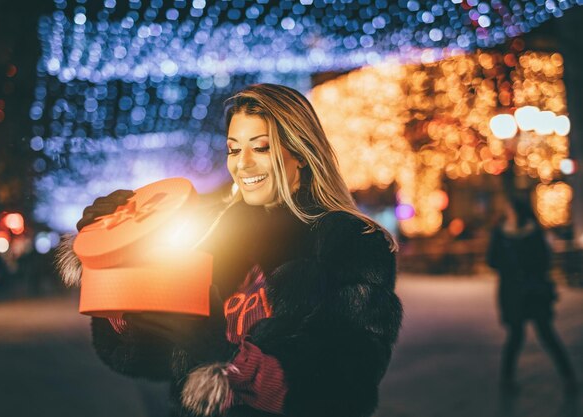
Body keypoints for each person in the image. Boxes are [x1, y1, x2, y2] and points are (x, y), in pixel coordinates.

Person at [60, 83, 403, 416]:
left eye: (261, 147)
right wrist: (109, 254)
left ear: (300, 152)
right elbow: (146, 353)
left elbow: (345, 386)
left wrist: (226, 357)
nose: (243, 164)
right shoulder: (219, 232)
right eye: (234, 149)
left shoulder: (352, 241)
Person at [487, 196, 576, 395]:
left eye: (509, 210)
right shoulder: (506, 233)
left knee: (538, 334)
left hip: (527, 291)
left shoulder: (520, 233)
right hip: (520, 292)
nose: (507, 214)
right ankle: (509, 379)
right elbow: (492, 260)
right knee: (522, 335)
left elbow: (542, 261)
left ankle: (567, 377)